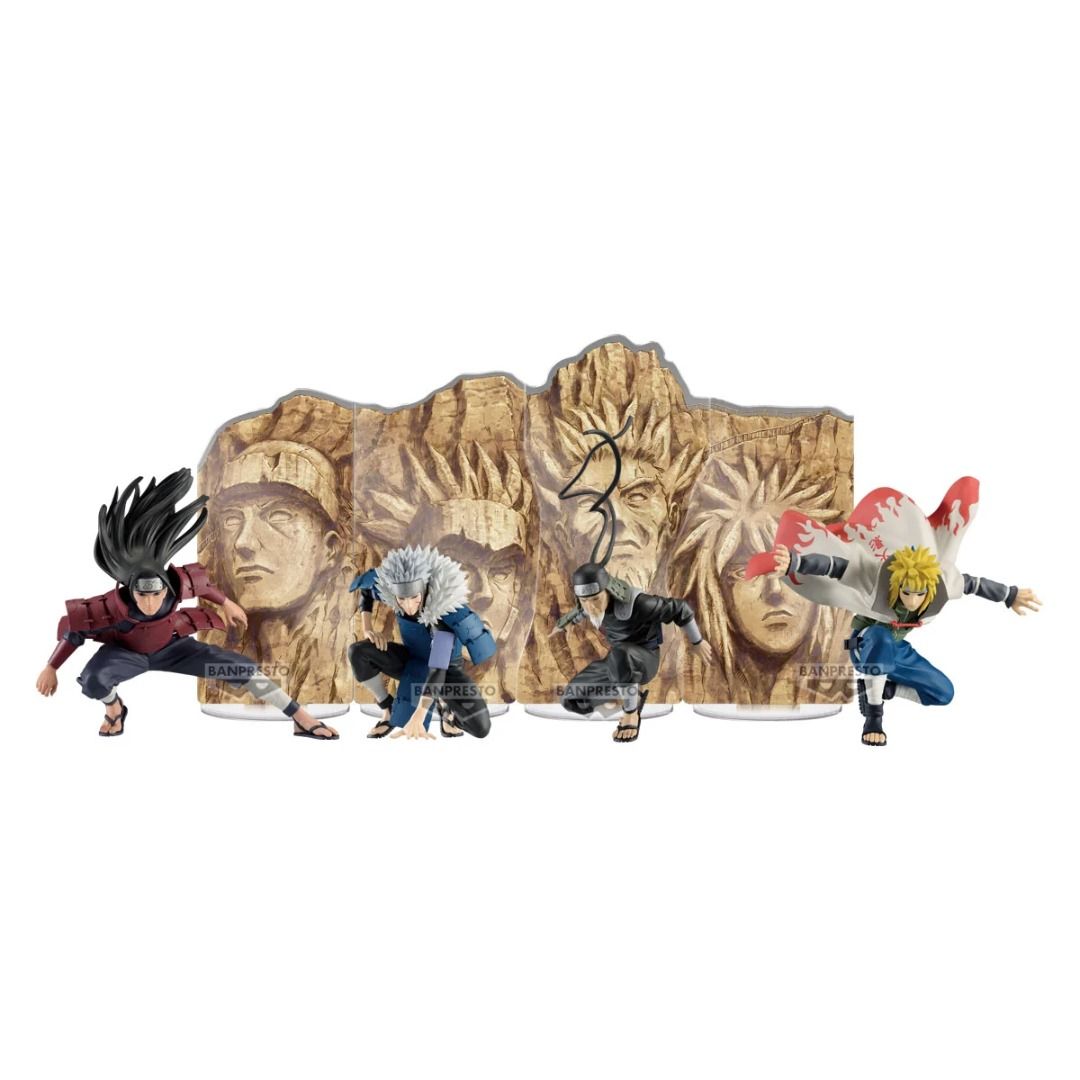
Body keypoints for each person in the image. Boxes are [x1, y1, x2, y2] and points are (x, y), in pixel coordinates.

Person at [34, 468, 338, 739]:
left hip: (174, 650)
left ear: (166, 588)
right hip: (127, 655)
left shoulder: (178, 582)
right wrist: (51, 666)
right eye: (142, 595)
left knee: (241, 668)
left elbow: (204, 587)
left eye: (156, 594)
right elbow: (74, 632)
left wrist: (227, 603)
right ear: (130, 590)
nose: (150, 602)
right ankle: (114, 709)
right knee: (93, 681)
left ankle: (299, 717)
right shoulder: (108, 606)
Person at [747, 477, 1040, 746]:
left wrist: (1010, 595)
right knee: (880, 637)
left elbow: (974, 584)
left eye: (919, 594)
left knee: (942, 693)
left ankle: (884, 690)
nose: (911, 601)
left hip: (897, 650)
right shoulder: (874, 576)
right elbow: (833, 566)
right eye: (906, 593)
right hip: (867, 643)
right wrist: (795, 563)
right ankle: (873, 717)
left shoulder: (943, 582)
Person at [348, 545, 496, 740]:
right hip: (413, 659)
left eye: (414, 597)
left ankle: (447, 712)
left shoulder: (442, 613)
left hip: (446, 671)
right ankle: (387, 708)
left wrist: (419, 714)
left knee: (481, 727)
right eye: (402, 598)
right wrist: (367, 628)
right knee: (358, 652)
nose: (408, 606)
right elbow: (366, 591)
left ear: (424, 589)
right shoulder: (391, 587)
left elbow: (438, 669)